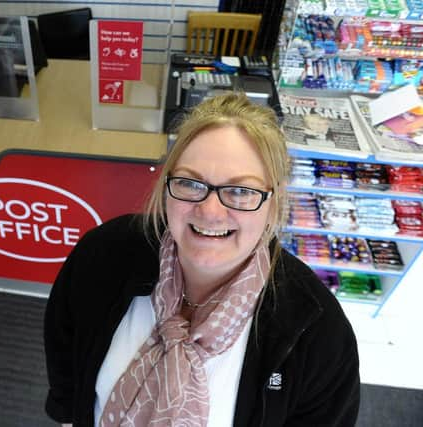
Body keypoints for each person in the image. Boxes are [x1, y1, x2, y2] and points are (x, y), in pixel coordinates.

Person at [44, 93, 360, 426]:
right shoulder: (104, 255)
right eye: (190, 183)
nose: (210, 212)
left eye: (240, 191)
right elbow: (64, 351)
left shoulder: (318, 333)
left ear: (274, 200)